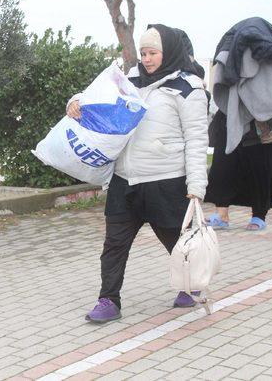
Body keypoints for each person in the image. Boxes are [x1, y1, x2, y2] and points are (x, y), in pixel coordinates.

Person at [67, 25, 209, 323]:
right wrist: (75, 101)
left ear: (168, 52)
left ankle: (190, 287)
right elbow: (97, 96)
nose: (146, 59)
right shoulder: (129, 79)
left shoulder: (188, 88)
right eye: (143, 53)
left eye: (153, 53)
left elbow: (197, 139)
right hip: (125, 179)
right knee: (114, 245)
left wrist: (197, 186)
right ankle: (108, 300)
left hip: (166, 180)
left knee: (177, 243)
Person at [205, 17, 272, 231]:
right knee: (223, 166)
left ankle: (259, 215)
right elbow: (221, 82)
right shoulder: (228, 52)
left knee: (261, 168)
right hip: (230, 116)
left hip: (263, 123)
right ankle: (221, 214)